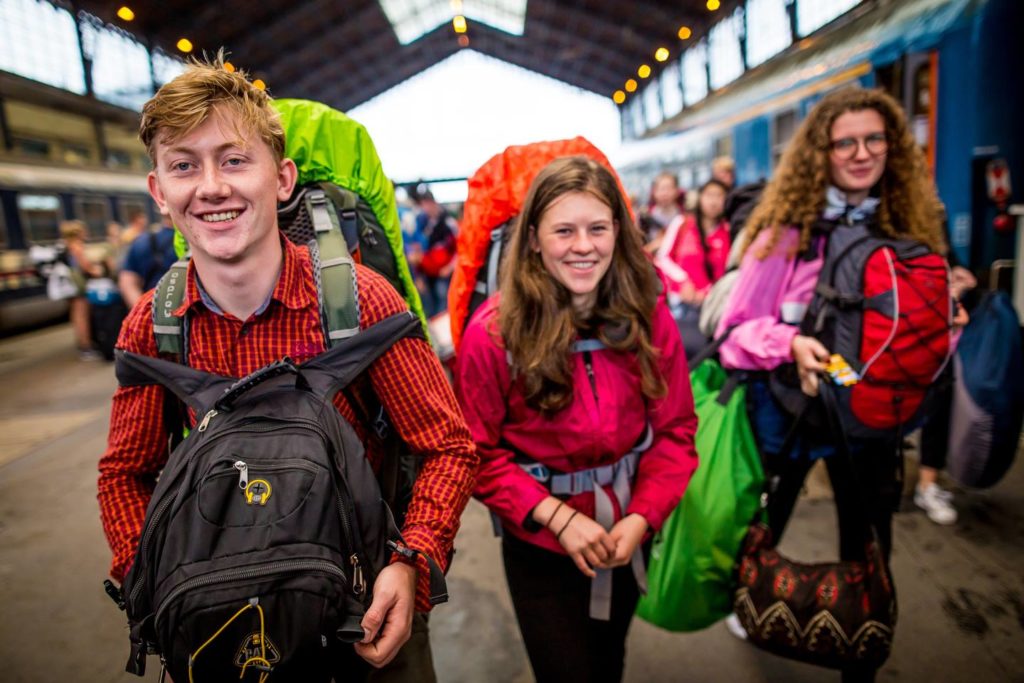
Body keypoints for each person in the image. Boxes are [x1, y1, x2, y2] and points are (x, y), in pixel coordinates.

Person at [96, 57, 478, 679]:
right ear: (159, 191)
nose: (211, 186)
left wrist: (412, 562)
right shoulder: (153, 326)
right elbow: (124, 472)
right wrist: (150, 574)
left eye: (234, 160)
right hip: (219, 625)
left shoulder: (360, 302)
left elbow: (448, 447)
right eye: (184, 165)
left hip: (365, 614)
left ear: (281, 178)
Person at [715, 87, 964, 681]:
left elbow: (915, 325)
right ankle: (753, 605)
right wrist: (790, 344)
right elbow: (735, 331)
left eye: (874, 139)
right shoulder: (785, 232)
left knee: (871, 541)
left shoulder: (909, 225)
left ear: (892, 146)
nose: (862, 153)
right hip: (792, 408)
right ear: (819, 154)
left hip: (872, 416)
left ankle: (863, 652)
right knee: (767, 521)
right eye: (844, 143)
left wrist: (941, 327)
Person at [455, 156, 699, 683]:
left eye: (598, 228)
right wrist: (559, 519)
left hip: (626, 533)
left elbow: (676, 430)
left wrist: (643, 517)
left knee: (610, 663)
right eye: (564, 230)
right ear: (534, 239)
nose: (583, 246)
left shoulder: (647, 315)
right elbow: (476, 454)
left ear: (619, 232)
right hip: (541, 545)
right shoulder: (493, 334)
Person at [655, 178, 731, 310]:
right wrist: (683, 281)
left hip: (714, 305)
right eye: (709, 195)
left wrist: (708, 293)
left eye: (719, 196)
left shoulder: (728, 231)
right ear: (700, 198)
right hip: (680, 303)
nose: (713, 201)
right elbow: (663, 257)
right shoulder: (682, 223)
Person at [59, 220, 105, 360]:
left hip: (71, 286)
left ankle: (82, 344)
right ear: (78, 233)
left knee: (76, 315)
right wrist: (97, 270)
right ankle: (86, 347)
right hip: (79, 286)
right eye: (83, 231)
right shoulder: (77, 246)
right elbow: (85, 266)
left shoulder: (68, 245)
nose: (86, 233)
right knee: (82, 316)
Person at [407, 189, 457, 318]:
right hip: (427, 274)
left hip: (443, 275)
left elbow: (460, 249)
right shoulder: (421, 223)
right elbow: (416, 248)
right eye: (423, 204)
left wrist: (450, 267)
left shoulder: (448, 222)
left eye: (427, 203)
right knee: (429, 309)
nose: (425, 208)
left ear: (433, 202)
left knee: (443, 307)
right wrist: (418, 276)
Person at [117, 215, 179, 308]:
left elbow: (127, 283)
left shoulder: (142, 241)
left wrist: (144, 310)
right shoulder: (195, 240)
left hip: (155, 306)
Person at [642, 171, 684, 253]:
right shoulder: (645, 217)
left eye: (669, 188)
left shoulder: (684, 216)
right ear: (654, 192)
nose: (665, 193)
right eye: (661, 189)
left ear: (677, 191)